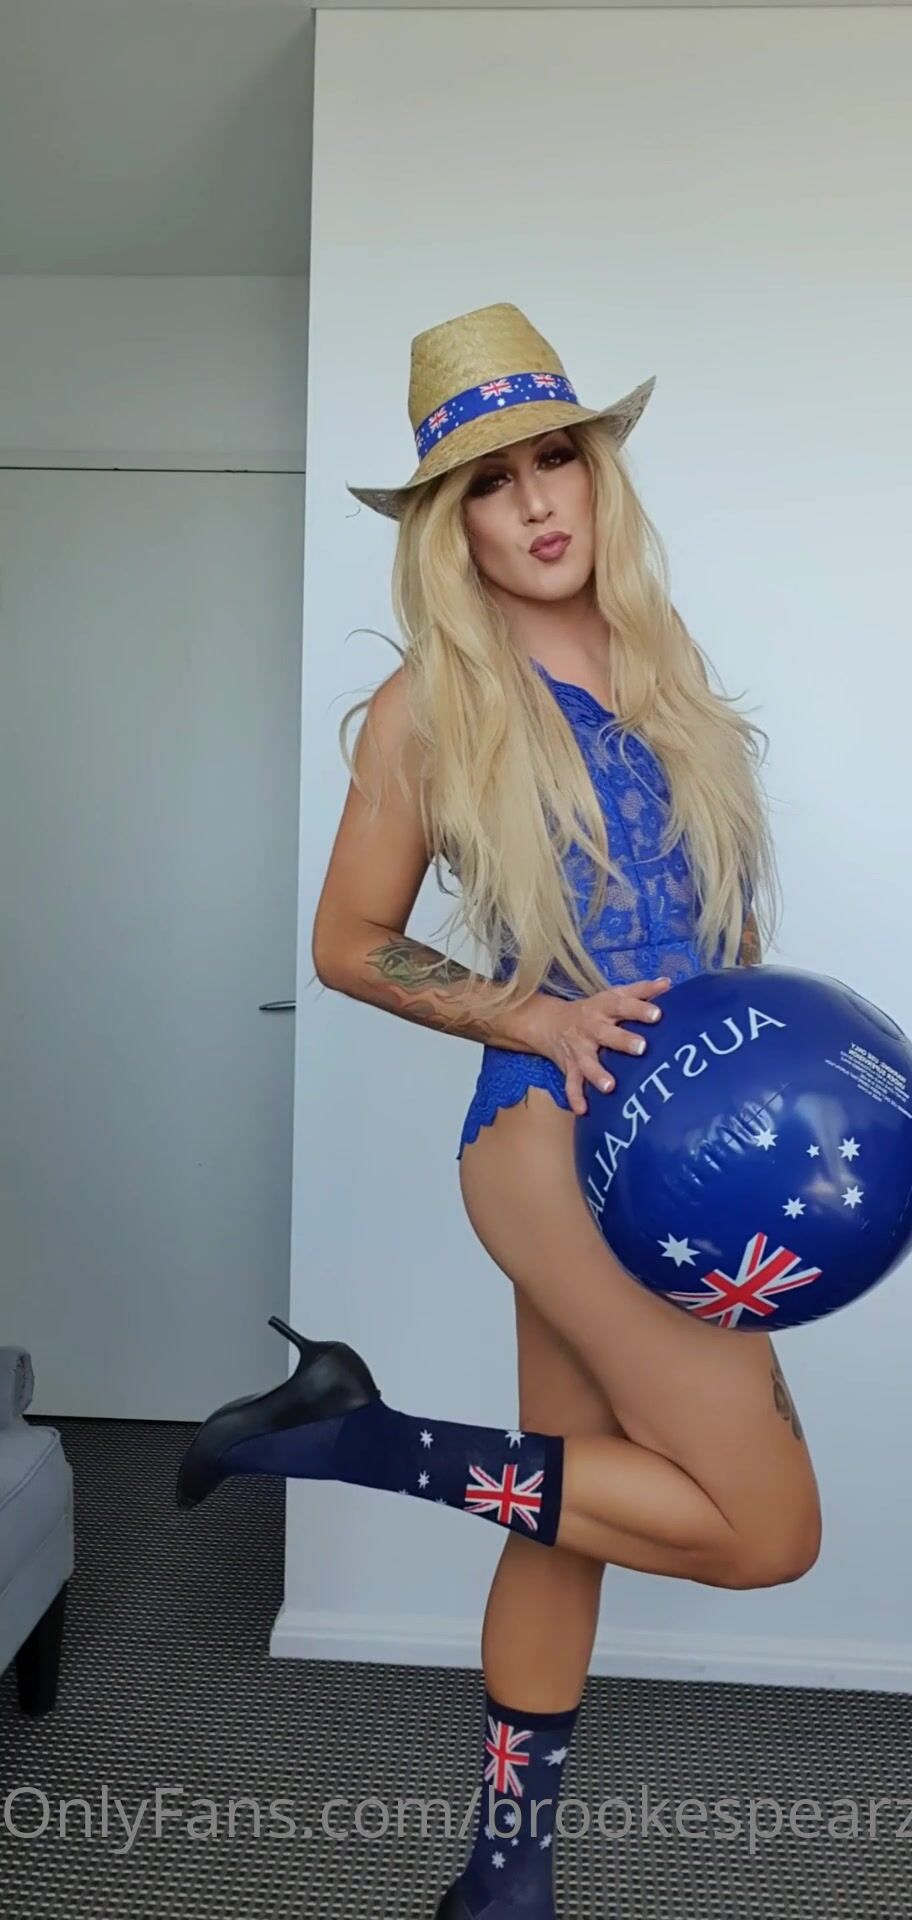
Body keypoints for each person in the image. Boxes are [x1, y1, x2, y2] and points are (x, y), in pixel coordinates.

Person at [176, 301, 822, 1920]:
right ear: (448, 526)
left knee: (561, 1514)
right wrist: (533, 1010)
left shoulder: (663, 666)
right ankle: (353, 1437)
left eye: (557, 461)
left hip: (681, 1154)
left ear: (599, 473)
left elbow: (715, 938)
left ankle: (503, 1878)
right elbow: (347, 940)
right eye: (489, 481)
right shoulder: (435, 702)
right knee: (767, 1534)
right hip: (555, 1139)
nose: (535, 503)